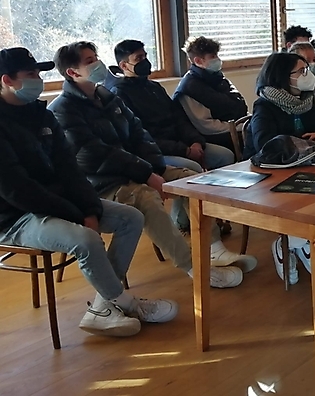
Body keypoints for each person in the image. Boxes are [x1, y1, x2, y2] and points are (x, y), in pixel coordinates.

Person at [0, 47, 177, 337]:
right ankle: (125, 303)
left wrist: (89, 209)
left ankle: (103, 305)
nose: (38, 80)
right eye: (31, 74)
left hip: (56, 201)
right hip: (15, 217)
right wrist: (77, 215)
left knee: (131, 218)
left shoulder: (41, 115)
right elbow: (18, 190)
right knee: (86, 239)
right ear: (7, 80)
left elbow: (69, 169)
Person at [49, 41, 252, 289]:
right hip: (103, 182)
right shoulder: (63, 109)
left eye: (96, 57)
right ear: (72, 72)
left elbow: (139, 134)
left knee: (192, 181)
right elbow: (93, 155)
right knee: (147, 198)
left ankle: (214, 249)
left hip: (135, 168)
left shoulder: (108, 97)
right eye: (90, 61)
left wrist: (154, 167)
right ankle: (194, 269)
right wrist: (147, 174)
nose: (98, 64)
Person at [106, 39, 236, 234]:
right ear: (124, 65)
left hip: (182, 144)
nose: (145, 61)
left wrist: (195, 141)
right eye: (139, 58)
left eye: (146, 56)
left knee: (224, 155)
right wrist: (184, 150)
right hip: (156, 152)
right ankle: (191, 221)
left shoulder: (154, 87)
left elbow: (179, 119)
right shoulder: (120, 95)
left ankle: (212, 213)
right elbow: (142, 137)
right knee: (191, 168)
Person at [243, 52, 315, 284]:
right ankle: (295, 242)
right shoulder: (265, 105)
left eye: (308, 69)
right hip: (270, 172)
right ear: (283, 76)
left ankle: (297, 241)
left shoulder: (307, 100)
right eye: (301, 71)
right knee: (310, 195)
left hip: (304, 166)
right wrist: (301, 143)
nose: (308, 74)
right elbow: (264, 143)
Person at [173, 36, 249, 152]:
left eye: (217, 55)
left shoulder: (218, 77)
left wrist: (248, 120)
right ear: (198, 61)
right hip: (211, 136)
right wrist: (238, 126)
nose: (218, 59)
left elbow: (239, 103)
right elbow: (206, 127)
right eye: (213, 56)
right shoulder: (189, 88)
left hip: (233, 126)